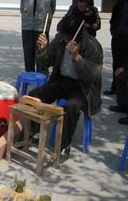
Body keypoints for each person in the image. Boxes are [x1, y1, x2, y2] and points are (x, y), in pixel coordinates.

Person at [29, 15, 103, 153]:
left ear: (78, 35)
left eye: (68, 37)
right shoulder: (61, 40)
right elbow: (45, 62)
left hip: (82, 88)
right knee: (35, 95)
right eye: (63, 36)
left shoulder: (93, 46)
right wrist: (42, 49)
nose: (65, 40)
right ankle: (31, 131)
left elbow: (91, 78)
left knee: (71, 106)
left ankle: (63, 145)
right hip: (62, 81)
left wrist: (77, 58)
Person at [20, 0, 56, 74]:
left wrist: (46, 20)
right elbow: (22, 7)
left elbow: (52, 8)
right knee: (28, 54)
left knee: (42, 53)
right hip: (27, 27)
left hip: (42, 28)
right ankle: (30, 75)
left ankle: (42, 77)